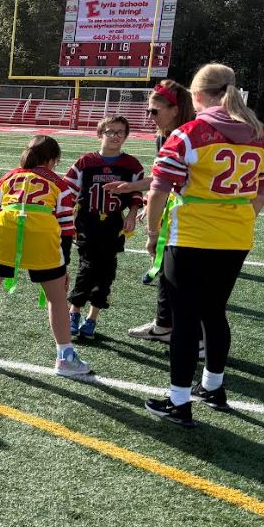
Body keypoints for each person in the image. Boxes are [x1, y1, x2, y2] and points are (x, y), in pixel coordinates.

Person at [144, 64, 264, 427]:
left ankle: (178, 401)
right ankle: (213, 386)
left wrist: (152, 235)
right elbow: (262, 190)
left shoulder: (189, 133)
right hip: (236, 236)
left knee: (185, 320)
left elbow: (159, 189)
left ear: (197, 95)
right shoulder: (259, 134)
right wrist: (239, 216)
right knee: (214, 312)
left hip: (193, 236)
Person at [0, 135, 90, 376]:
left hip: (5, 233)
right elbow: (65, 227)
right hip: (43, 237)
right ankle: (65, 357)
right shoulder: (60, 184)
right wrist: (62, 266)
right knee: (56, 298)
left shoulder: (8, 177)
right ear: (53, 160)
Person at [103, 80, 196, 345]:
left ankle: (194, 339)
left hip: (193, 216)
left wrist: (153, 228)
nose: (149, 116)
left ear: (175, 109)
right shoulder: (165, 135)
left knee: (184, 277)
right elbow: (161, 179)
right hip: (179, 209)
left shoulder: (189, 136)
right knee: (168, 270)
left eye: (154, 111)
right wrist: (134, 188)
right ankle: (165, 324)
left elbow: (167, 185)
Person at [64, 116, 144, 338]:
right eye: (110, 131)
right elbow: (68, 190)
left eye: (120, 132)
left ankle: (92, 318)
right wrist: (65, 217)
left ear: (126, 136)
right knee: (87, 267)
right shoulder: (86, 162)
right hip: (87, 223)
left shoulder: (132, 165)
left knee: (107, 270)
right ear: (100, 134)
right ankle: (74, 312)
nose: (115, 136)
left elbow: (137, 193)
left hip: (114, 225)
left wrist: (133, 213)